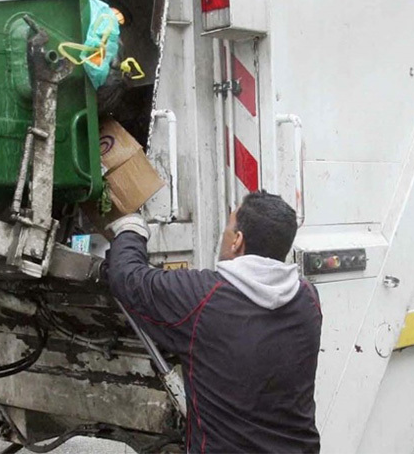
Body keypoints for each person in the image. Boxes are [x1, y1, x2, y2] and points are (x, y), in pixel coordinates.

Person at [106, 191, 322, 454]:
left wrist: (131, 229)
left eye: (229, 229)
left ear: (237, 241)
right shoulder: (308, 299)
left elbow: (127, 278)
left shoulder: (203, 299)